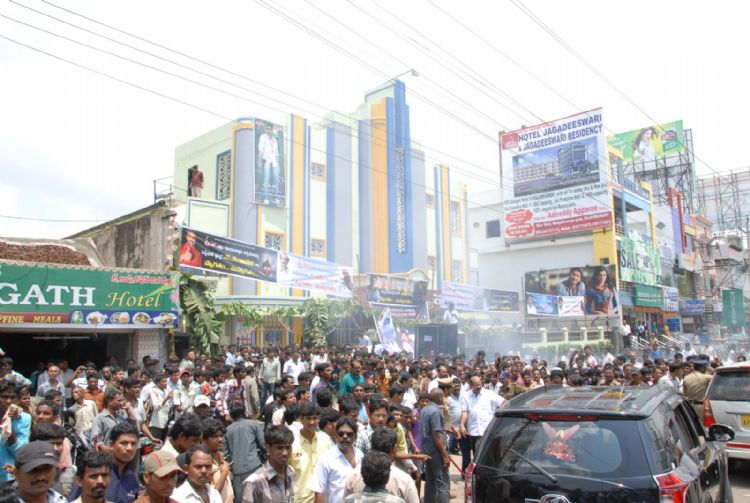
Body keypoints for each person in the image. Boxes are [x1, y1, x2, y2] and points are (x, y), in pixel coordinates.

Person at [344, 427, 419, 503]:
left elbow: (345, 500)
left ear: (372, 447)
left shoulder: (354, 475)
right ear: (394, 448)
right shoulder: (404, 480)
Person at [309, 416, 363, 503]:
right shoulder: (326, 459)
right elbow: (319, 491)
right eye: (341, 433)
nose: (344, 437)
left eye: (349, 434)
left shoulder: (360, 456)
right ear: (336, 436)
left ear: (355, 437)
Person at [459, 376, 504, 474]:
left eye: (480, 385)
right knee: (477, 456)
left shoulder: (489, 394)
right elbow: (464, 412)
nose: (479, 387)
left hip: (488, 431)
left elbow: (503, 402)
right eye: (476, 386)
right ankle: (479, 475)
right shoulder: (466, 396)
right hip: (474, 432)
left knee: (490, 455)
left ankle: (491, 473)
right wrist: (462, 425)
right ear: (471, 385)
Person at [289, 402, 332, 503]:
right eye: (308, 418)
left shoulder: (326, 440)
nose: (312, 422)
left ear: (319, 419)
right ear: (301, 419)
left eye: (315, 418)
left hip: (322, 497)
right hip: (299, 499)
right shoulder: (291, 442)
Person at [241, 424, 296, 503]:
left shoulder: (290, 472)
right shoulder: (255, 482)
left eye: (288, 448)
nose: (285, 453)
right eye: (279, 448)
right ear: (268, 448)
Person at [224, 404, 265, 503]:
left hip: (237, 471)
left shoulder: (227, 430)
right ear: (245, 413)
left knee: (241, 499)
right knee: (258, 498)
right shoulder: (254, 424)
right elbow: (263, 444)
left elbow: (225, 453)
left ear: (231, 416)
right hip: (254, 467)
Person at [420, 389, 451, 503]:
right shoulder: (435, 411)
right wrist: (445, 454)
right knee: (442, 481)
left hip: (427, 450)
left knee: (430, 481)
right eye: (442, 397)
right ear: (439, 398)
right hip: (436, 451)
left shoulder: (424, 409)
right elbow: (436, 435)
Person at [0, 381, 31, 484]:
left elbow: (21, 452)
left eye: (12, 397)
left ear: (17, 399)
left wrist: (9, 421)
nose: (8, 401)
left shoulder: (24, 419)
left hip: (11, 476)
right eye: (4, 397)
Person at [201, 419, 233, 503]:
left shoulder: (222, 458)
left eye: (221, 436)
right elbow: (211, 495)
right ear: (204, 439)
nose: (220, 439)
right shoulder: (203, 464)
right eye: (215, 436)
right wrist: (224, 473)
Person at [107, 423, 140, 503]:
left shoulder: (133, 479)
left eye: (133, 444)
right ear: (111, 445)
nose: (129, 448)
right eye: (124, 443)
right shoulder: (96, 474)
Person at [257, 123, 281, 205]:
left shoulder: (275, 140)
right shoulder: (263, 137)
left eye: (270, 128)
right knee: (266, 179)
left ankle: (275, 198)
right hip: (266, 160)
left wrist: (278, 166)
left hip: (274, 162)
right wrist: (259, 160)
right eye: (267, 128)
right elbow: (260, 149)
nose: (268, 130)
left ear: (272, 129)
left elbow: (276, 154)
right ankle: (266, 198)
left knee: (276, 180)